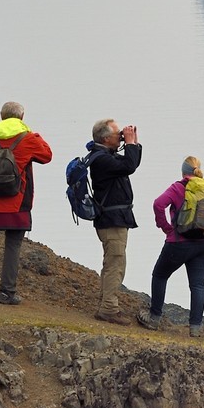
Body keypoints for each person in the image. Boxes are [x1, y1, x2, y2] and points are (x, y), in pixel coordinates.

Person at [0, 101, 54, 304]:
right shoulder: (29, 138)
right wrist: (32, 133)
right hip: (17, 200)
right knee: (13, 243)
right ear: (22, 117)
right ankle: (6, 291)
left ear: (1, 117)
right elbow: (47, 155)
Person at [141, 155, 204, 335]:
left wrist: (166, 227)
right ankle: (195, 328)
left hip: (179, 243)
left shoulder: (178, 187)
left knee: (160, 275)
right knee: (198, 285)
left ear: (183, 171)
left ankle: (154, 319)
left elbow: (158, 204)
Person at [86, 118, 143, 324]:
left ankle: (106, 304)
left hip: (114, 218)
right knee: (115, 264)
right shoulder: (101, 159)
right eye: (117, 133)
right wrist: (128, 144)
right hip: (111, 220)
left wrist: (133, 143)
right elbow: (129, 166)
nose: (120, 135)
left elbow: (131, 163)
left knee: (114, 263)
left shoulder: (106, 156)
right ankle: (109, 309)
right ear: (106, 138)